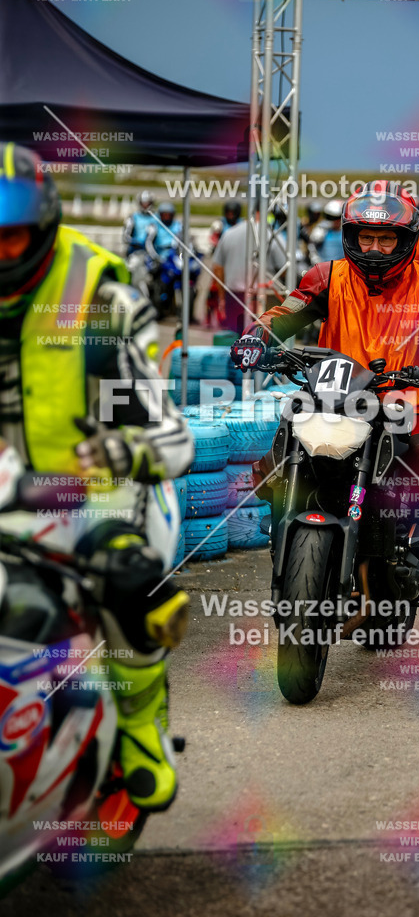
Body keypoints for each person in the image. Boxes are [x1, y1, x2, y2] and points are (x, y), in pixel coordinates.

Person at [0, 142, 193, 811]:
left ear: (43, 227)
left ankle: (141, 722)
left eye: (10, 238)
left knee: (134, 584)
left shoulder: (100, 300)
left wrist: (122, 454)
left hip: (95, 494)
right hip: (3, 492)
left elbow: (172, 436)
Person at [230, 181, 419, 601]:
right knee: (268, 469)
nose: (373, 248)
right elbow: (284, 314)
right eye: (365, 236)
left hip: (406, 406)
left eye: (386, 238)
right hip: (334, 399)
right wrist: (255, 337)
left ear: (406, 240)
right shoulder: (326, 277)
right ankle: (285, 536)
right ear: (350, 236)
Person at [212, 209, 287, 335]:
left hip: (234, 295)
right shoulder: (273, 235)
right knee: (265, 342)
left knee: (236, 340)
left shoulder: (229, 233)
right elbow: (284, 268)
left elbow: (218, 268)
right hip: (265, 295)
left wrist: (222, 297)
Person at [122, 190, 156, 255]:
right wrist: (135, 242)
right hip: (136, 251)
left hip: (152, 251)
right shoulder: (133, 217)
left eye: (147, 203)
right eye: (143, 203)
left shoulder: (156, 217)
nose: (145, 206)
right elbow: (125, 236)